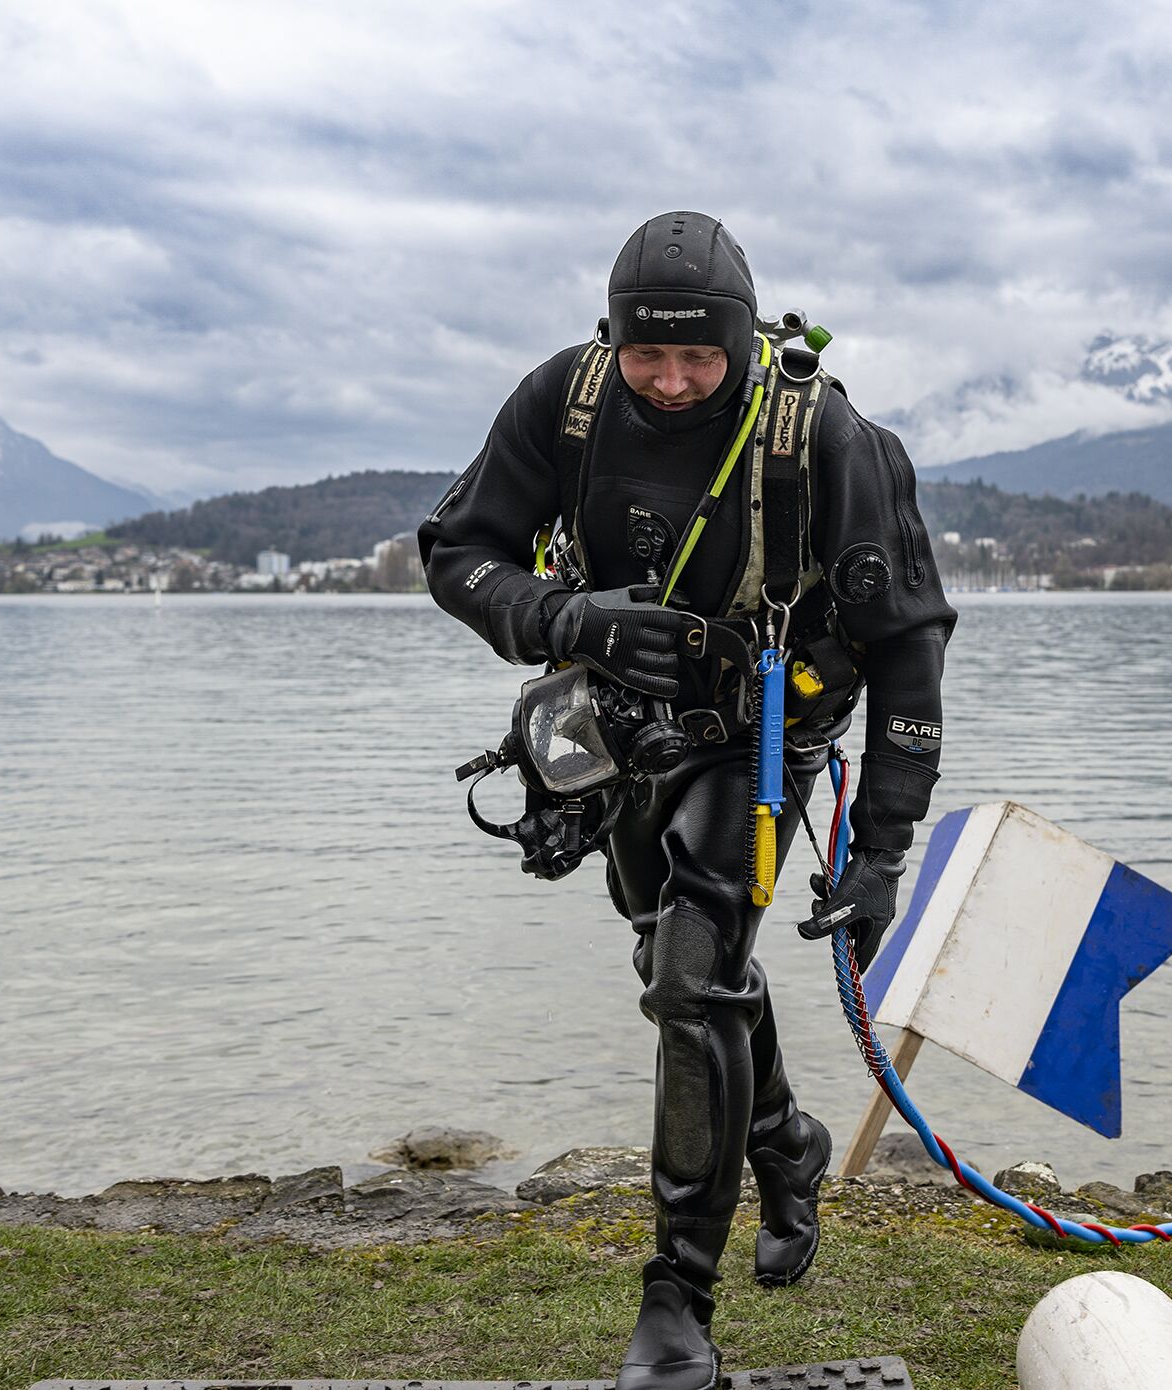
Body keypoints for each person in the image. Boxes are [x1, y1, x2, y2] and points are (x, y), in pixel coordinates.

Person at [418, 211, 955, 1390]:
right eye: (646, 356)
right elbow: (458, 552)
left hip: (769, 731)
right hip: (627, 722)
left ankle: (678, 1305)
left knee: (689, 975)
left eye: (696, 358)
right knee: (674, 962)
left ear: (741, 340)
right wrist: (567, 620)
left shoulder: (827, 439)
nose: (668, 383)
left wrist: (881, 853)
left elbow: (909, 645)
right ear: (614, 339)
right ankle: (783, 1139)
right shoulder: (564, 400)